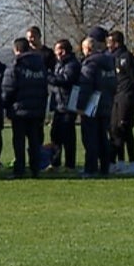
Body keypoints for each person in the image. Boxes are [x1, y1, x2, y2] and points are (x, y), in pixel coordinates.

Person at [1, 37, 48, 179]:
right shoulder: (40, 65)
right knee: (34, 141)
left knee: (19, 141)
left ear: (16, 49)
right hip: (37, 110)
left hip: (19, 110)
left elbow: (8, 88)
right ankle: (35, 169)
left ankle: (19, 169)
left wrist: (4, 104)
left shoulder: (16, 65)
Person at [77, 35, 116, 177]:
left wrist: (80, 106)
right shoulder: (109, 63)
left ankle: (90, 168)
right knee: (103, 137)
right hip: (106, 104)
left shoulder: (90, 64)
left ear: (88, 48)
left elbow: (85, 86)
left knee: (90, 139)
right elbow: (113, 85)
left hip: (91, 105)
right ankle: (105, 167)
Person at [107, 30, 134, 175]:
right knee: (115, 130)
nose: (108, 46)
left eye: (110, 42)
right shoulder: (112, 58)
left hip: (126, 98)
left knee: (125, 129)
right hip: (117, 97)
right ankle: (120, 163)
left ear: (116, 43)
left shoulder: (127, 57)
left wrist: (133, 93)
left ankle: (132, 163)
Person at [47, 38, 81, 172]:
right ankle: (55, 163)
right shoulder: (59, 64)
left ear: (63, 51)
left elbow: (66, 80)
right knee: (55, 134)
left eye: (57, 50)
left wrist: (49, 78)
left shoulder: (72, 64)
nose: (55, 53)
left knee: (68, 136)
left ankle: (69, 164)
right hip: (59, 104)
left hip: (68, 104)